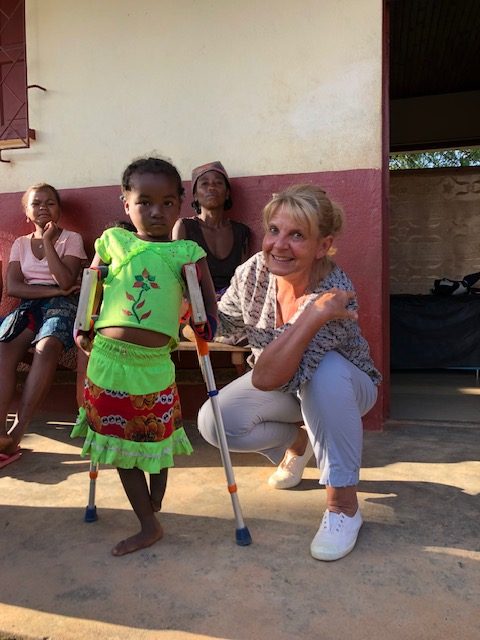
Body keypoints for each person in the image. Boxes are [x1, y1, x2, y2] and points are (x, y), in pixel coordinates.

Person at [197, 184, 381, 562]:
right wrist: (189, 309)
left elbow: (267, 378)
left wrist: (313, 314)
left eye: (297, 235)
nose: (279, 245)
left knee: (326, 372)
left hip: (346, 387)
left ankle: (343, 506)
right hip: (288, 383)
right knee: (216, 422)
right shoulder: (253, 272)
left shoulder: (336, 293)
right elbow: (224, 326)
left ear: (323, 245)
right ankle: (298, 446)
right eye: (274, 230)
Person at [71, 157, 217, 557]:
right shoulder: (113, 241)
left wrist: (207, 326)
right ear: (125, 203)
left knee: (154, 437)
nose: (156, 211)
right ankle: (148, 524)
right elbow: (91, 287)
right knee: (121, 446)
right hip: (107, 361)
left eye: (168, 203)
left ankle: (155, 501)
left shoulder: (187, 252)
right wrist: (82, 325)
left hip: (154, 366)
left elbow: (208, 305)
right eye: (144, 202)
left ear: (181, 205)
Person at [0, 183, 87, 468]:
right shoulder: (20, 244)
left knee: (47, 346)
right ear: (26, 212)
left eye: (50, 203)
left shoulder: (71, 239)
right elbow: (13, 287)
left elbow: (65, 280)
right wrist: (53, 291)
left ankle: (17, 432)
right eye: (36, 203)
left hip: (64, 306)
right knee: (3, 348)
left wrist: (48, 243)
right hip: (32, 305)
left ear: (59, 210)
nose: (43, 208)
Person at [172, 161, 250, 298]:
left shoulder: (241, 232)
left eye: (218, 183)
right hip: (195, 305)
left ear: (227, 194)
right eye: (204, 184)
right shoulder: (184, 227)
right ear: (195, 195)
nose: (212, 188)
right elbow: (177, 275)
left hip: (231, 304)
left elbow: (244, 279)